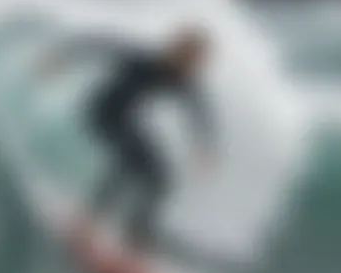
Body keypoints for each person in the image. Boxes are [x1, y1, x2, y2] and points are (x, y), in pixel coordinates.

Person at [36, 26, 216, 254]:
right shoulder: (144, 59)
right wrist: (60, 56)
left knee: (162, 181)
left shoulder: (182, 79)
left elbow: (199, 110)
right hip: (101, 112)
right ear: (177, 49)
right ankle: (86, 223)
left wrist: (205, 148)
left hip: (125, 121)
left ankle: (135, 238)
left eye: (196, 60)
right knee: (128, 164)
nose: (191, 64)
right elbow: (99, 43)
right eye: (189, 56)